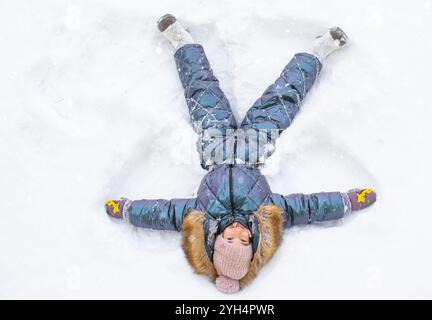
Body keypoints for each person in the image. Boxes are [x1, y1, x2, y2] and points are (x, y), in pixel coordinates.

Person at [105, 14, 377, 294]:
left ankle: (180, 42)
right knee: (283, 98)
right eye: (245, 241)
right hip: (254, 146)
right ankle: (319, 50)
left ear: (216, 240)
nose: (239, 232)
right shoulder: (269, 217)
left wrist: (127, 210)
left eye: (230, 239)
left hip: (215, 146)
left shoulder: (198, 217)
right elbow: (308, 207)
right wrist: (346, 201)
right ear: (254, 242)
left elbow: (160, 213)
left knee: (201, 91)